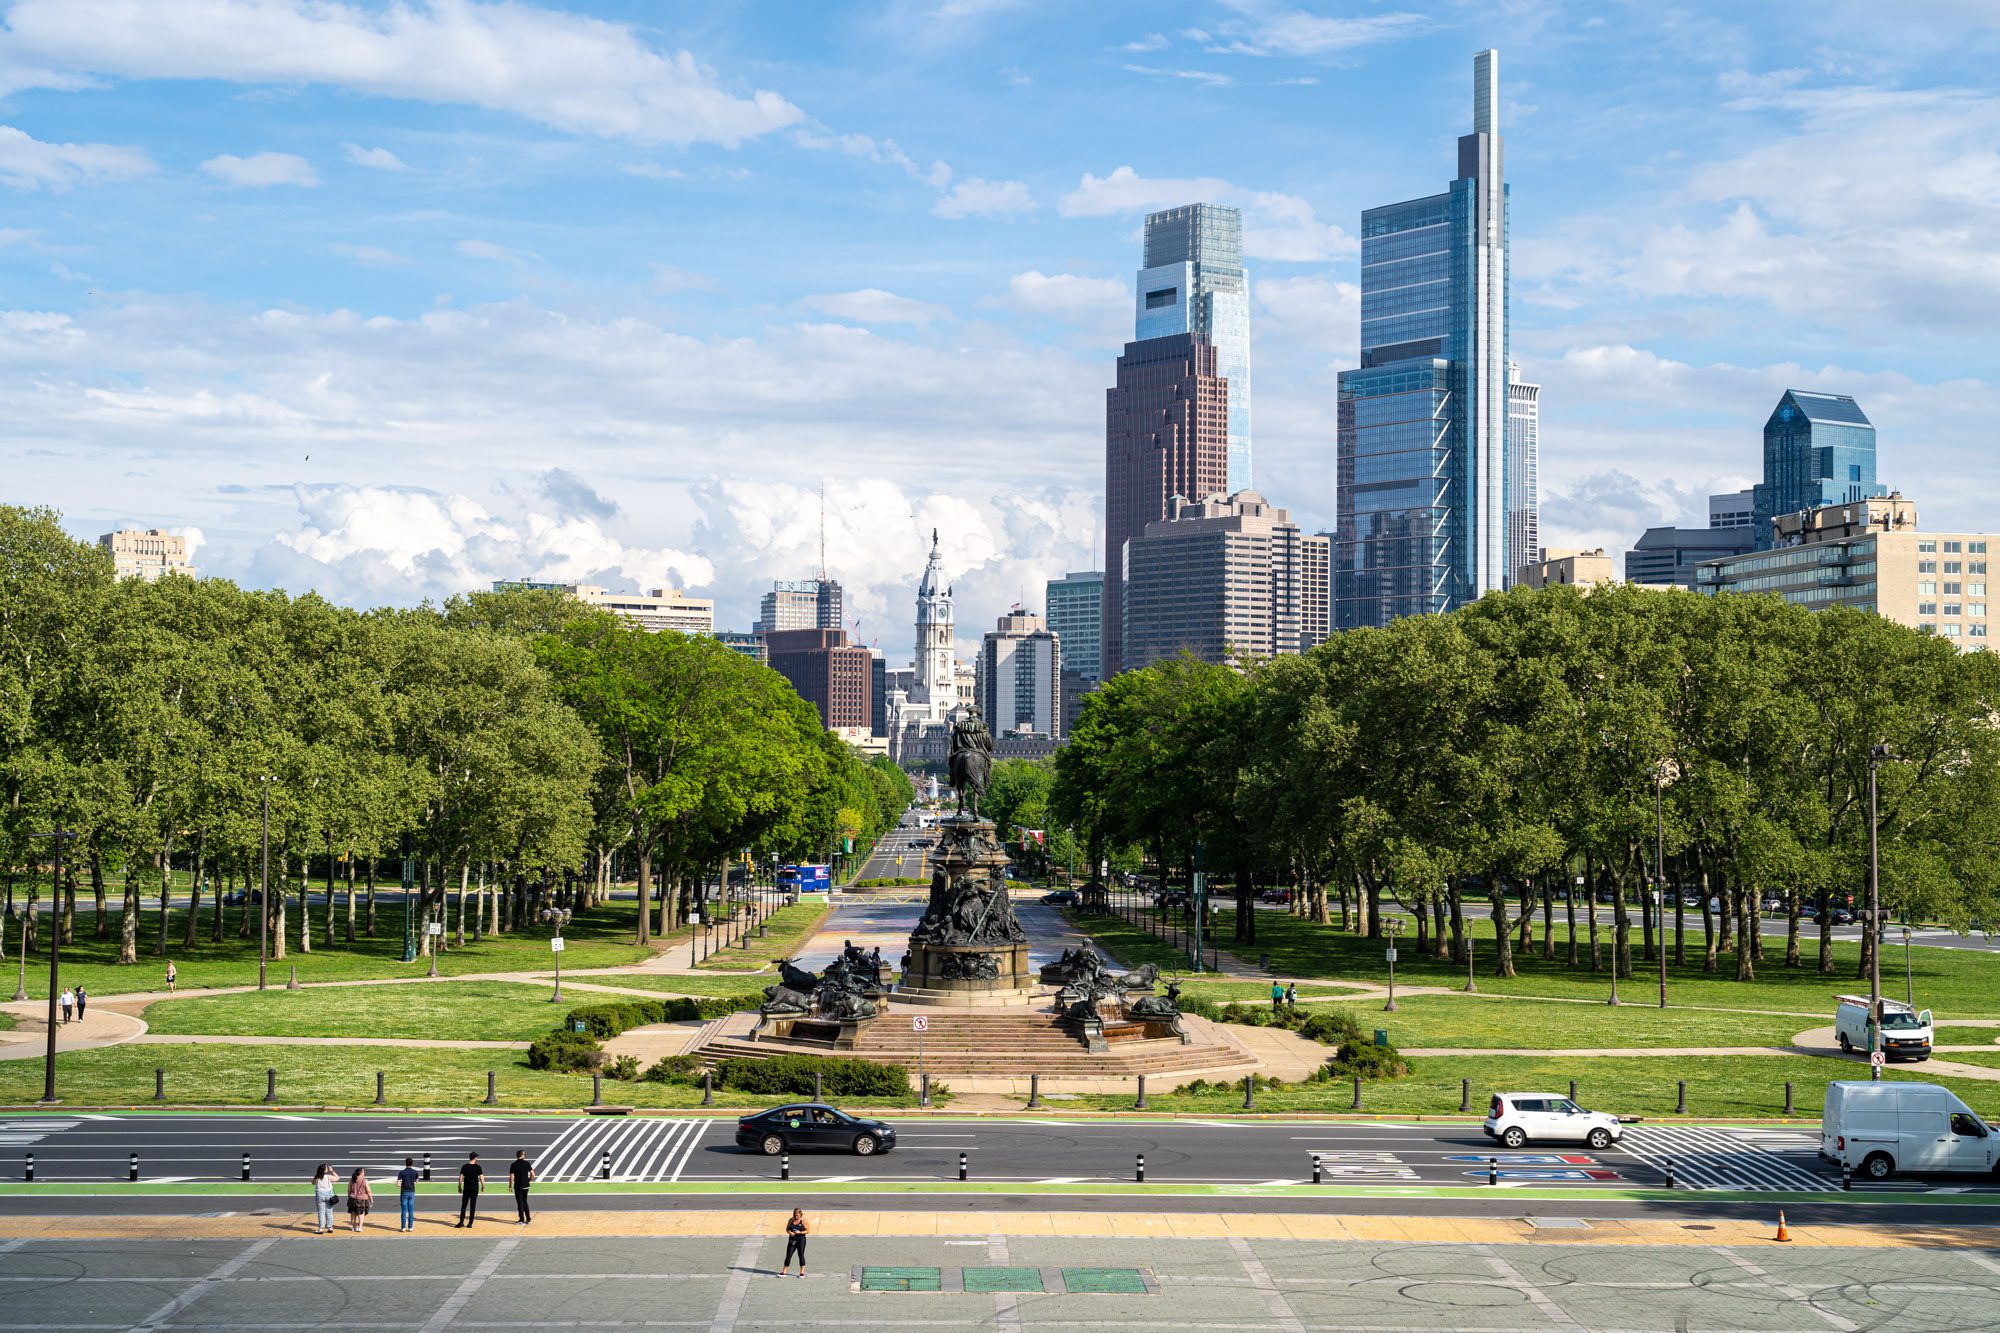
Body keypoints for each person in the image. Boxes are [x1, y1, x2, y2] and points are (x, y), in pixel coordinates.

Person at [455, 1152, 483, 1227]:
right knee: (472, 1206)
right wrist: (483, 1186)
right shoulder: (478, 1167)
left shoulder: (464, 1166)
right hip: (474, 1188)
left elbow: (461, 1177)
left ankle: (461, 1222)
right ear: (475, 1158)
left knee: (464, 1205)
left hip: (467, 1188)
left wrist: (459, 1186)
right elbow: (481, 1177)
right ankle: (470, 1223)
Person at [779, 1208, 809, 1278]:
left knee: (801, 1255)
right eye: (795, 1215)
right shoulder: (791, 1220)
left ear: (800, 1214)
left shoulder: (804, 1221)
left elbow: (807, 1231)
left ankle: (802, 1272)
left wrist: (800, 1232)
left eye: (797, 1215)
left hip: (801, 1240)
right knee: (788, 1255)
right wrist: (790, 1232)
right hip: (792, 1240)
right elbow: (787, 1229)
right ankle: (784, 1272)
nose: (796, 1217)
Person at [310, 1163, 338, 1234]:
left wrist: (316, 1175)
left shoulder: (317, 1177)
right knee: (329, 1211)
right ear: (325, 1170)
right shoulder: (328, 1176)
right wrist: (332, 1171)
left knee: (321, 1212)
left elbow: (312, 1183)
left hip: (320, 1195)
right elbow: (337, 1178)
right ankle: (330, 1227)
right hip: (329, 1195)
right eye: (326, 1168)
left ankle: (321, 1228)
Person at [508, 1150, 534, 1226]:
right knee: (525, 1201)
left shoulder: (514, 1164)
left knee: (520, 1203)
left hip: (518, 1186)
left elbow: (511, 1177)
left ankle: (521, 1219)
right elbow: (533, 1174)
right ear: (522, 1155)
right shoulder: (527, 1163)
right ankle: (528, 1219)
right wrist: (529, 1180)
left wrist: (510, 1185)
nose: (525, 1155)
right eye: (524, 1154)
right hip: (526, 1185)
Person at [395, 1156, 419, 1232]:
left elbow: (398, 1184)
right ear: (412, 1163)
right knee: (411, 1210)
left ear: (405, 1163)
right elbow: (417, 1181)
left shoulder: (401, 1172)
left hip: (404, 1192)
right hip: (412, 1191)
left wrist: (401, 1184)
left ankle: (403, 1227)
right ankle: (410, 1227)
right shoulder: (415, 1172)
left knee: (403, 1210)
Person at [346, 1167, 373, 1233]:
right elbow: (368, 1191)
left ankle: (353, 1227)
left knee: (353, 1214)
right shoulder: (365, 1181)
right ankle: (360, 1227)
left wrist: (350, 1197)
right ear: (360, 1173)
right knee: (361, 1214)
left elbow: (349, 1190)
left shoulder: (352, 1180)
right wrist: (371, 1199)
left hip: (352, 1199)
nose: (364, 1173)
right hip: (362, 1200)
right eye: (363, 1172)